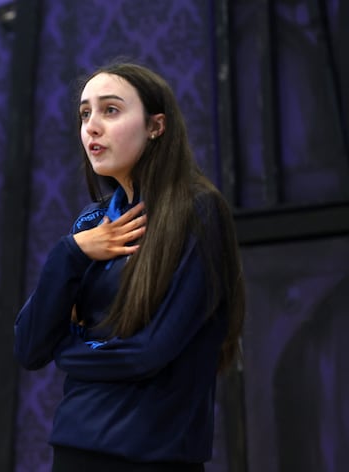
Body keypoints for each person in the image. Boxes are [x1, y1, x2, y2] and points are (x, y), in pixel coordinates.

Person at [14, 62, 245, 471]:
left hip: (155, 453)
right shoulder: (90, 224)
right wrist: (69, 253)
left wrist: (67, 350)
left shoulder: (198, 211)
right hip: (75, 446)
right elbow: (29, 347)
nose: (92, 127)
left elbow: (148, 353)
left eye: (111, 110)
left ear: (157, 126)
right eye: (85, 113)